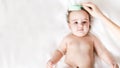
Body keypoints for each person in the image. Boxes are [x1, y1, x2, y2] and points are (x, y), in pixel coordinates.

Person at [47, 2, 119, 68]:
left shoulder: (92, 38)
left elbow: (102, 52)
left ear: (89, 24)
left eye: (84, 22)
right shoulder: (68, 38)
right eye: (75, 22)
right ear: (69, 26)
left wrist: (111, 62)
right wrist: (53, 61)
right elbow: (60, 51)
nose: (80, 25)